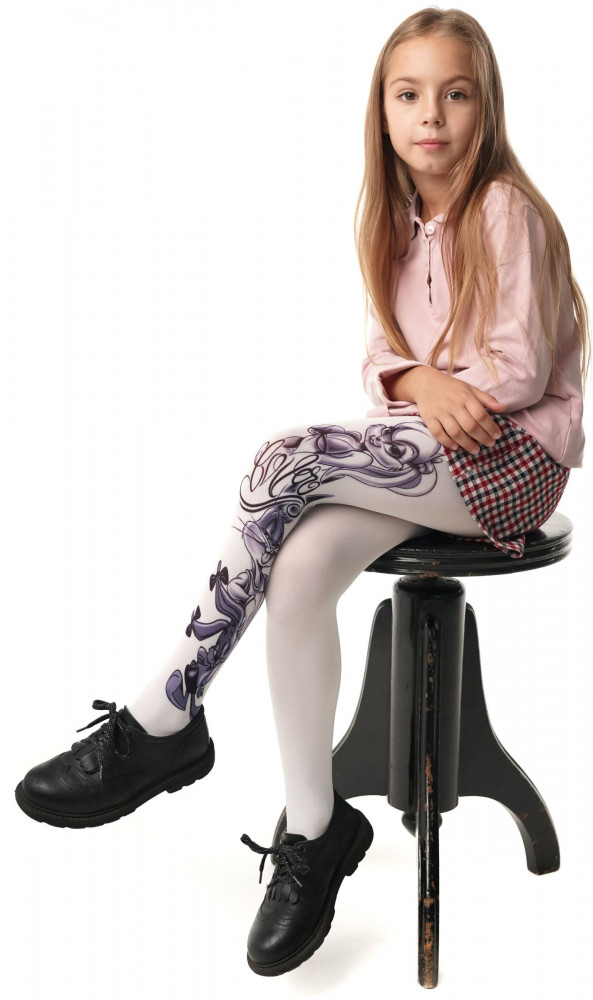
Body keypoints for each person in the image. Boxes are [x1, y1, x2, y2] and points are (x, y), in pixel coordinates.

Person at [14, 6, 589, 979]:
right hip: (435, 451)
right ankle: (315, 834)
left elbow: (519, 370)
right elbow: (377, 359)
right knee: (303, 562)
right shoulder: (388, 222)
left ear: (484, 107)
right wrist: (416, 380)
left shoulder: (503, 209)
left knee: (279, 462)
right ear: (381, 110)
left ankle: (162, 717)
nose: (431, 115)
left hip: (508, 462)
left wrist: (431, 387)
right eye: (408, 94)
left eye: (454, 94)